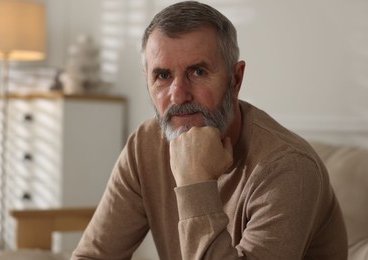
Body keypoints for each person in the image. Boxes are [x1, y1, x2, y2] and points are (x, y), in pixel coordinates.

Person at [71, 1, 348, 259]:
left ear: (235, 79)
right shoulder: (145, 145)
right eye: (163, 76)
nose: (178, 96)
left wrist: (195, 182)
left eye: (198, 72)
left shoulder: (288, 167)